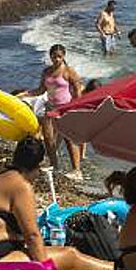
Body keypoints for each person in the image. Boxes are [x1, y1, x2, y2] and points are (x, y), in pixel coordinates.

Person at [0, 137, 114, 270]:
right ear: (38, 165)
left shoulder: (2, 177)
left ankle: (115, 268)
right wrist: (44, 269)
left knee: (63, 252)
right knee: (70, 255)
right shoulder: (21, 186)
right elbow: (32, 235)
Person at [34, 44, 83, 178]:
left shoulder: (68, 71)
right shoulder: (46, 72)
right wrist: (25, 94)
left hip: (65, 108)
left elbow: (77, 90)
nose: (56, 59)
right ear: (50, 57)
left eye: (59, 57)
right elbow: (41, 90)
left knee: (69, 139)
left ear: (63, 56)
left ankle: (77, 170)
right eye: (54, 56)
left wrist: (76, 107)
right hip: (50, 108)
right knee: (48, 138)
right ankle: (54, 166)